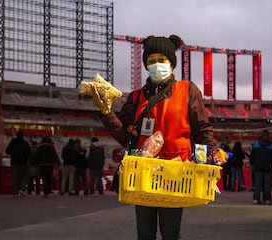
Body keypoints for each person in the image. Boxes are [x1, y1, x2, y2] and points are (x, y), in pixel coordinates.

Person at [89, 34, 217, 240]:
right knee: (145, 234)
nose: (157, 64)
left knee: (170, 233)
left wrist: (211, 156)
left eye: (162, 60)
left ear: (171, 63)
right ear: (146, 65)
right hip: (144, 175)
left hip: (176, 174)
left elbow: (202, 129)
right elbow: (126, 137)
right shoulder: (136, 97)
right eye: (151, 61)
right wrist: (107, 113)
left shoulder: (187, 90)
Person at [250, 129, 272, 204]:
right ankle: (267, 199)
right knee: (267, 184)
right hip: (269, 167)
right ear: (268, 136)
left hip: (258, 167)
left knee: (258, 184)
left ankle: (256, 199)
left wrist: (252, 164)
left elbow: (252, 156)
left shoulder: (256, 144)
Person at [5, 130, 31, 197]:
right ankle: (22, 188)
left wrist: (14, 153)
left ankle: (16, 192)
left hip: (14, 162)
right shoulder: (25, 143)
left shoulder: (13, 142)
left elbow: (7, 151)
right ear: (23, 135)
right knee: (25, 176)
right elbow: (29, 152)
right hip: (24, 162)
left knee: (15, 177)